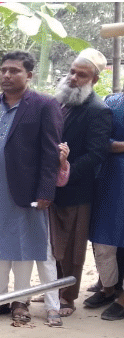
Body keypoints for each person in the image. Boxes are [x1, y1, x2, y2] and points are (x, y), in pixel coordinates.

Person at [0, 50, 63, 324]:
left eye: (14, 70)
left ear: (29, 75)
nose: (7, 75)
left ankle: (20, 301)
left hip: (25, 190)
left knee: (24, 247)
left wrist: (46, 190)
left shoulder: (44, 104)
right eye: (4, 70)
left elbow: (51, 152)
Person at [49, 48, 111, 317]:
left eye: (81, 74)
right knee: (53, 244)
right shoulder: (60, 102)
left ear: (94, 80)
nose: (73, 77)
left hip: (76, 190)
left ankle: (68, 297)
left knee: (73, 248)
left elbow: (96, 154)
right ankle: (54, 289)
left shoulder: (98, 110)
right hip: (51, 189)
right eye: (72, 71)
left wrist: (66, 169)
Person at [87, 92, 124, 320]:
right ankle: (108, 288)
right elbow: (99, 138)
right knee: (103, 239)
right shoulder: (111, 100)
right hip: (110, 179)